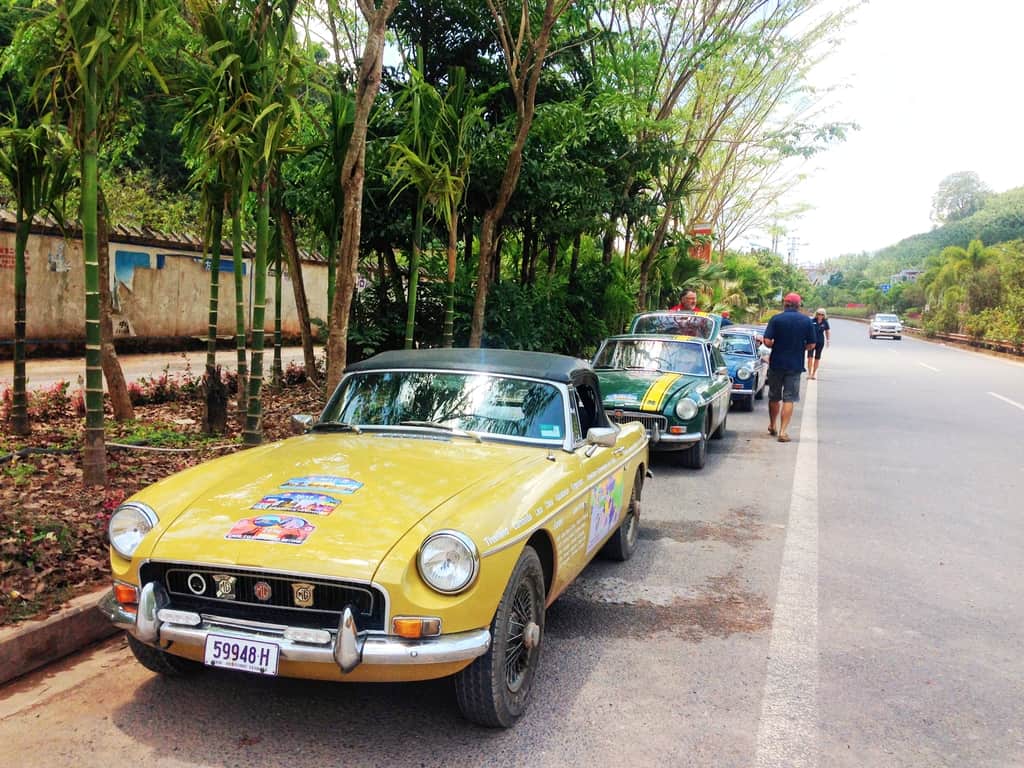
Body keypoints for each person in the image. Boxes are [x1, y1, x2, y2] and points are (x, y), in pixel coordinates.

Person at [762, 292, 817, 443]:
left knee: (774, 396)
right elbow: (812, 344)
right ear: (799, 305)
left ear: (784, 304)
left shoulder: (776, 319)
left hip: (776, 363)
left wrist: (777, 345)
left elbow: (767, 341)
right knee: (789, 398)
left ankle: (772, 425)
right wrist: (799, 347)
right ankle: (783, 431)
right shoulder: (806, 321)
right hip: (795, 364)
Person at [807, 307, 831, 380]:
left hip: (820, 342)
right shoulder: (812, 321)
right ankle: (809, 373)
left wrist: (828, 340)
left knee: (817, 358)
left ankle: (813, 374)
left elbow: (827, 331)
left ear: (824, 315)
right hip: (811, 341)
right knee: (810, 357)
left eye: (822, 314)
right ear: (816, 314)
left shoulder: (825, 322)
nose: (820, 316)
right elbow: (807, 331)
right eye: (819, 314)